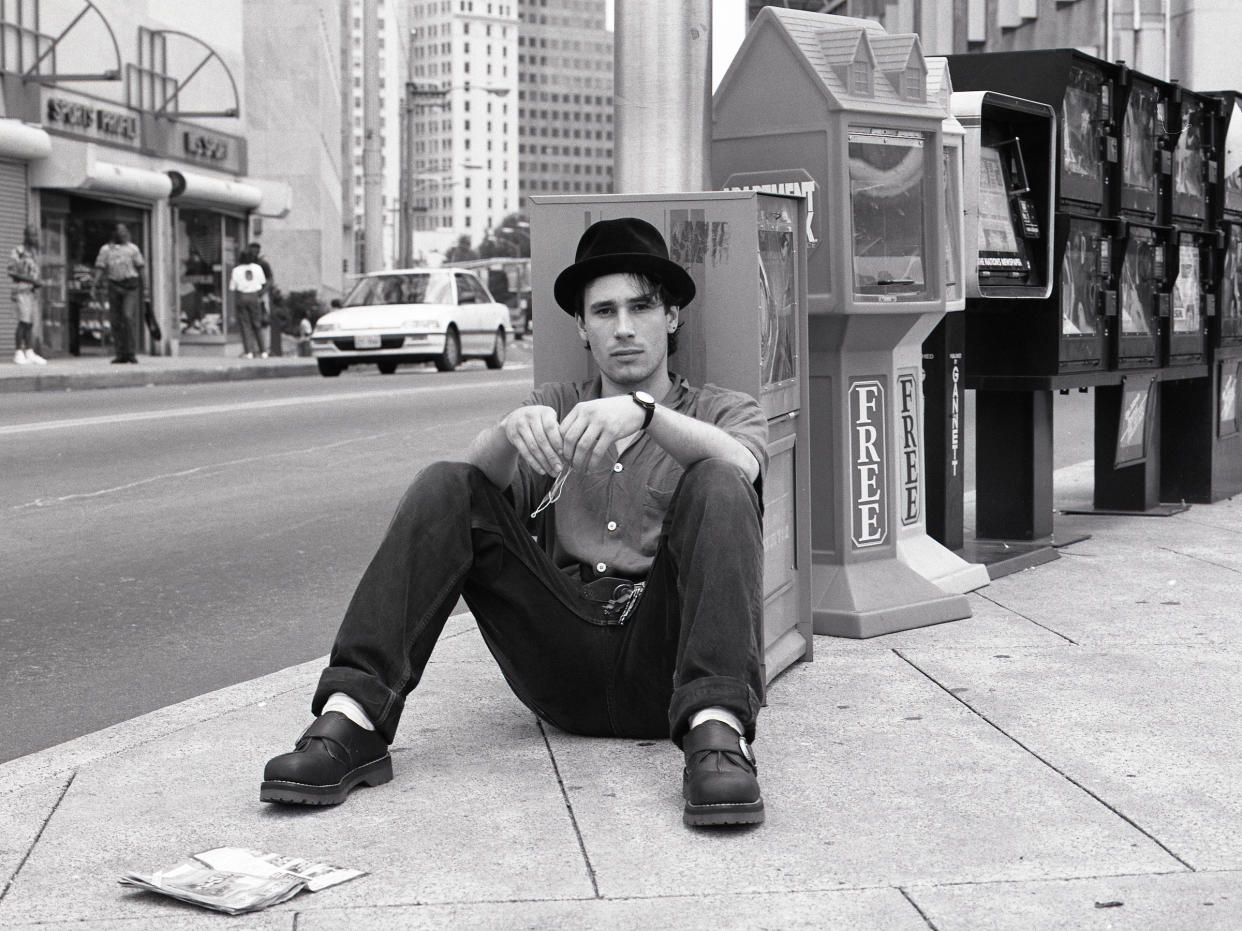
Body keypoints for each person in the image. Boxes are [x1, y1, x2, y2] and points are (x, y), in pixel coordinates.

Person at [261, 217, 770, 827]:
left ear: (673, 317)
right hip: (559, 655)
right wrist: (505, 435)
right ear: (581, 328)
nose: (625, 328)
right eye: (604, 312)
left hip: (665, 663)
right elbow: (474, 487)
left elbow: (742, 466)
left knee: (718, 476)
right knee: (448, 480)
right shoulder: (555, 407)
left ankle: (719, 738)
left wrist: (646, 415)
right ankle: (353, 721)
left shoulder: (719, 410)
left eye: (642, 307)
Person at [92, 224, 146, 364]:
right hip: (114, 285)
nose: (123, 235)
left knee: (127, 317)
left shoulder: (133, 249)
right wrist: (94, 285)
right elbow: (100, 267)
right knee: (115, 320)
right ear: (115, 234)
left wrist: (145, 287)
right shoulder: (106, 250)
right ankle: (120, 353)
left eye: (125, 232)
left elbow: (141, 268)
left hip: (130, 286)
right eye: (120, 232)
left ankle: (131, 352)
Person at [9, 224, 45, 365]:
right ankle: (18, 352)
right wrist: (31, 280)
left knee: (30, 323)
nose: (35, 238)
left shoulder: (35, 253)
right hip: (21, 291)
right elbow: (12, 272)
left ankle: (29, 351)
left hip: (32, 292)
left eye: (36, 235)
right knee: (23, 322)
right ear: (25, 236)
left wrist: (37, 282)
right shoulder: (18, 251)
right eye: (32, 235)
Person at [229, 248, 268, 359]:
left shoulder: (236, 270)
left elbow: (233, 287)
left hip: (242, 296)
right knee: (257, 323)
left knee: (245, 324)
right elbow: (262, 283)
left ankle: (249, 352)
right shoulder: (257, 268)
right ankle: (263, 351)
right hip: (254, 296)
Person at [247, 241, 279, 355]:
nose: (253, 253)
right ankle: (253, 348)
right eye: (251, 250)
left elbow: (270, 280)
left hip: (260, 294)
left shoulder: (263, 264)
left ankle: (265, 348)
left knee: (263, 320)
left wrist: (262, 292)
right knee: (251, 321)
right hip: (250, 294)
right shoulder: (246, 264)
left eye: (255, 250)